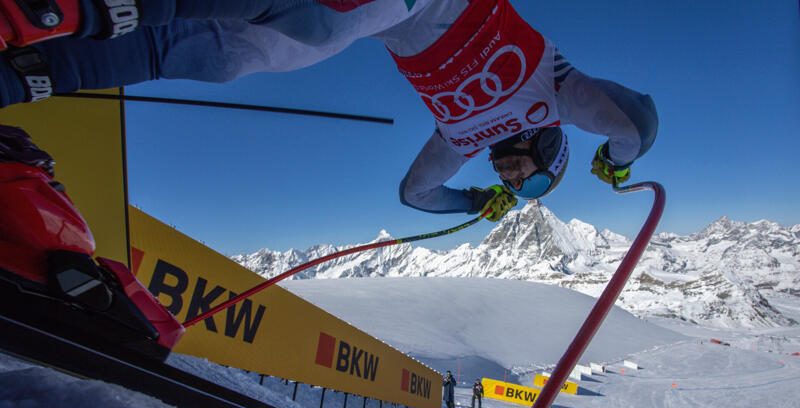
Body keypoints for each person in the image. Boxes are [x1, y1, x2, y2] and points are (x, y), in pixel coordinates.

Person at [0, 0, 657, 224]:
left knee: (227, 55)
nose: (515, 183)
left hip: (384, 21)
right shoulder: (555, 90)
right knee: (322, 20)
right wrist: (616, 162)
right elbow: (635, 122)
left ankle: (32, 69)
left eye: (518, 190)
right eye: (531, 183)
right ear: (550, 149)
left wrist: (471, 202)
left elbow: (415, 193)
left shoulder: (461, 136)